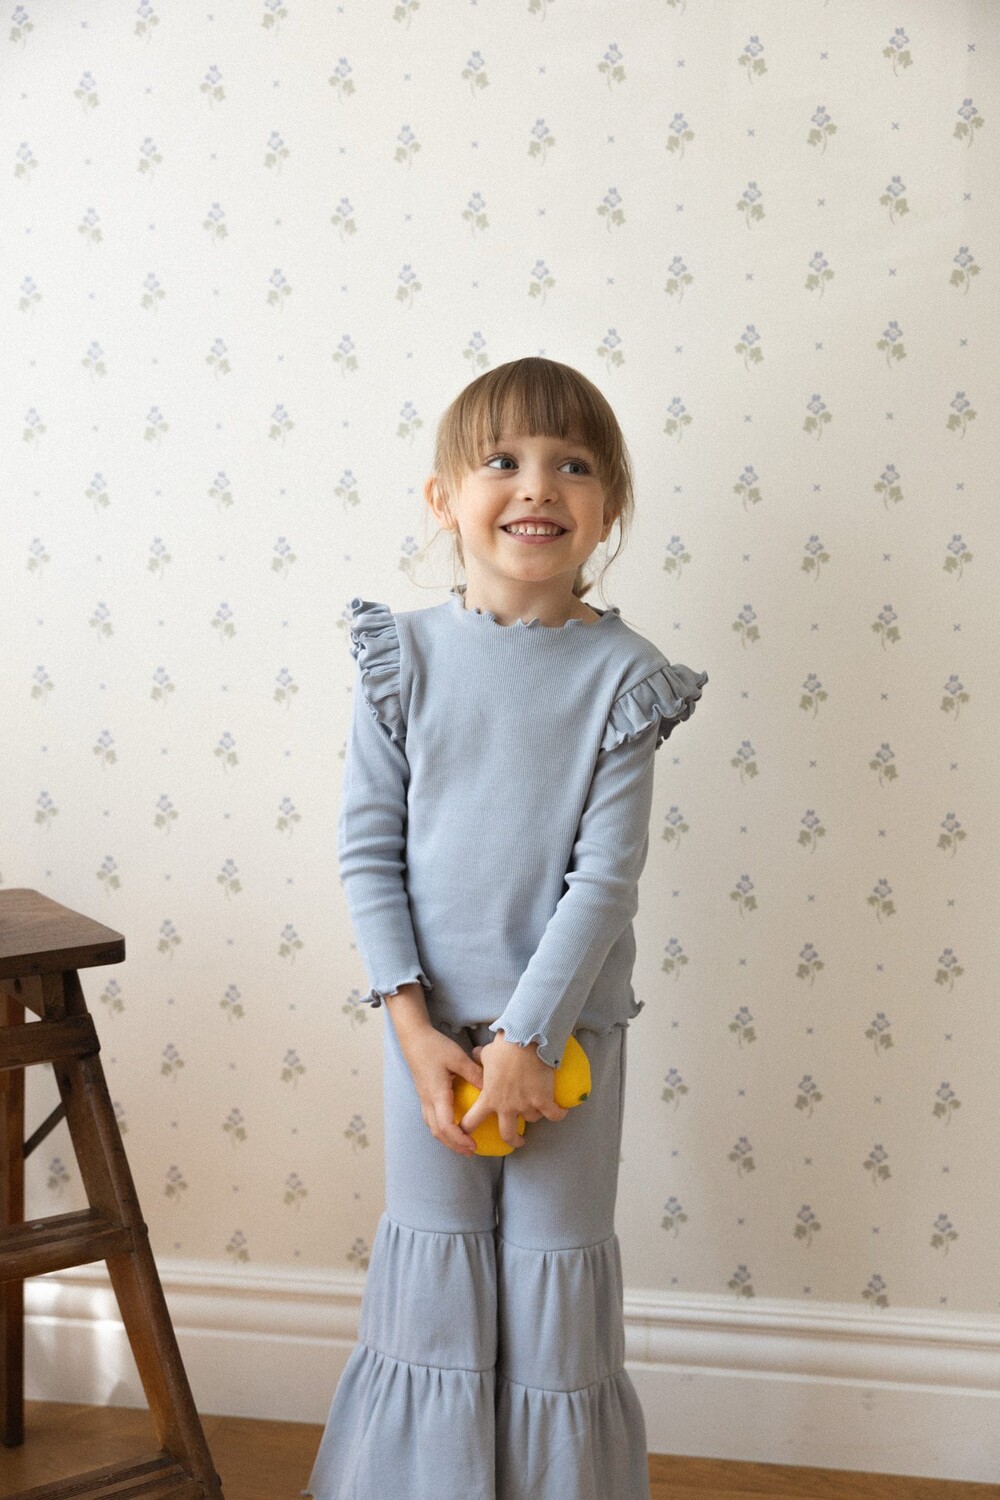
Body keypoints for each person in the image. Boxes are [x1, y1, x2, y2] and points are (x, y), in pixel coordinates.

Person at [304, 356, 708, 1500]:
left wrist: (528, 1041)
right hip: (428, 1039)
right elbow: (367, 851)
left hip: (566, 1041)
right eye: (503, 460)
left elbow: (603, 882)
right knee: (433, 1287)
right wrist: (411, 1025)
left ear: (607, 509)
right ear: (444, 499)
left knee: (551, 1280)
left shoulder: (624, 677)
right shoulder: (401, 660)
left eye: (572, 465)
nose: (537, 485)